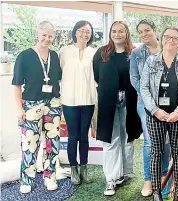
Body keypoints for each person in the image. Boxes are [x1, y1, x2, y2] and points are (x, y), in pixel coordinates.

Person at [141, 26, 178, 201]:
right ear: (161, 38)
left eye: (175, 38)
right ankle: (157, 191)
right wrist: (155, 110)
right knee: (156, 152)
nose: (170, 40)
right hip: (155, 116)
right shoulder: (151, 61)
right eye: (167, 37)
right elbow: (144, 88)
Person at [12, 21, 62, 194]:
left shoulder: (55, 56)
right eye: (44, 35)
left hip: (53, 104)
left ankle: (50, 177)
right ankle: (27, 180)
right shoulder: (24, 56)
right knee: (30, 144)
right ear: (37, 34)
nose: (47, 39)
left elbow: (57, 80)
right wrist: (19, 109)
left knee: (53, 144)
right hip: (31, 105)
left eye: (50, 36)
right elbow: (17, 86)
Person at [93, 21, 141, 196]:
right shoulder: (102, 52)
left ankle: (125, 172)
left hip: (130, 100)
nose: (117, 34)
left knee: (128, 137)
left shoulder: (134, 52)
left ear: (127, 33)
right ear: (110, 33)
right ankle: (111, 178)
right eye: (114, 31)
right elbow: (97, 75)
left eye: (121, 31)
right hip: (108, 101)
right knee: (111, 139)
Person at [130, 19, 171, 197]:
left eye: (147, 30)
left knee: (167, 139)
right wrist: (149, 97)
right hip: (145, 103)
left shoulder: (168, 49)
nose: (144, 34)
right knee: (149, 141)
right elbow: (134, 78)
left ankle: (162, 175)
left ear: (155, 31)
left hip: (169, 102)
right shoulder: (137, 53)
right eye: (140, 32)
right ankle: (148, 179)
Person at [59, 20, 97, 185]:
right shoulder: (65, 51)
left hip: (88, 100)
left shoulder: (94, 52)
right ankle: (73, 168)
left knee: (84, 136)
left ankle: (84, 168)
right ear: (75, 32)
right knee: (73, 136)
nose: (84, 34)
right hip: (69, 100)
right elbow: (60, 74)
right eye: (81, 30)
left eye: (88, 31)